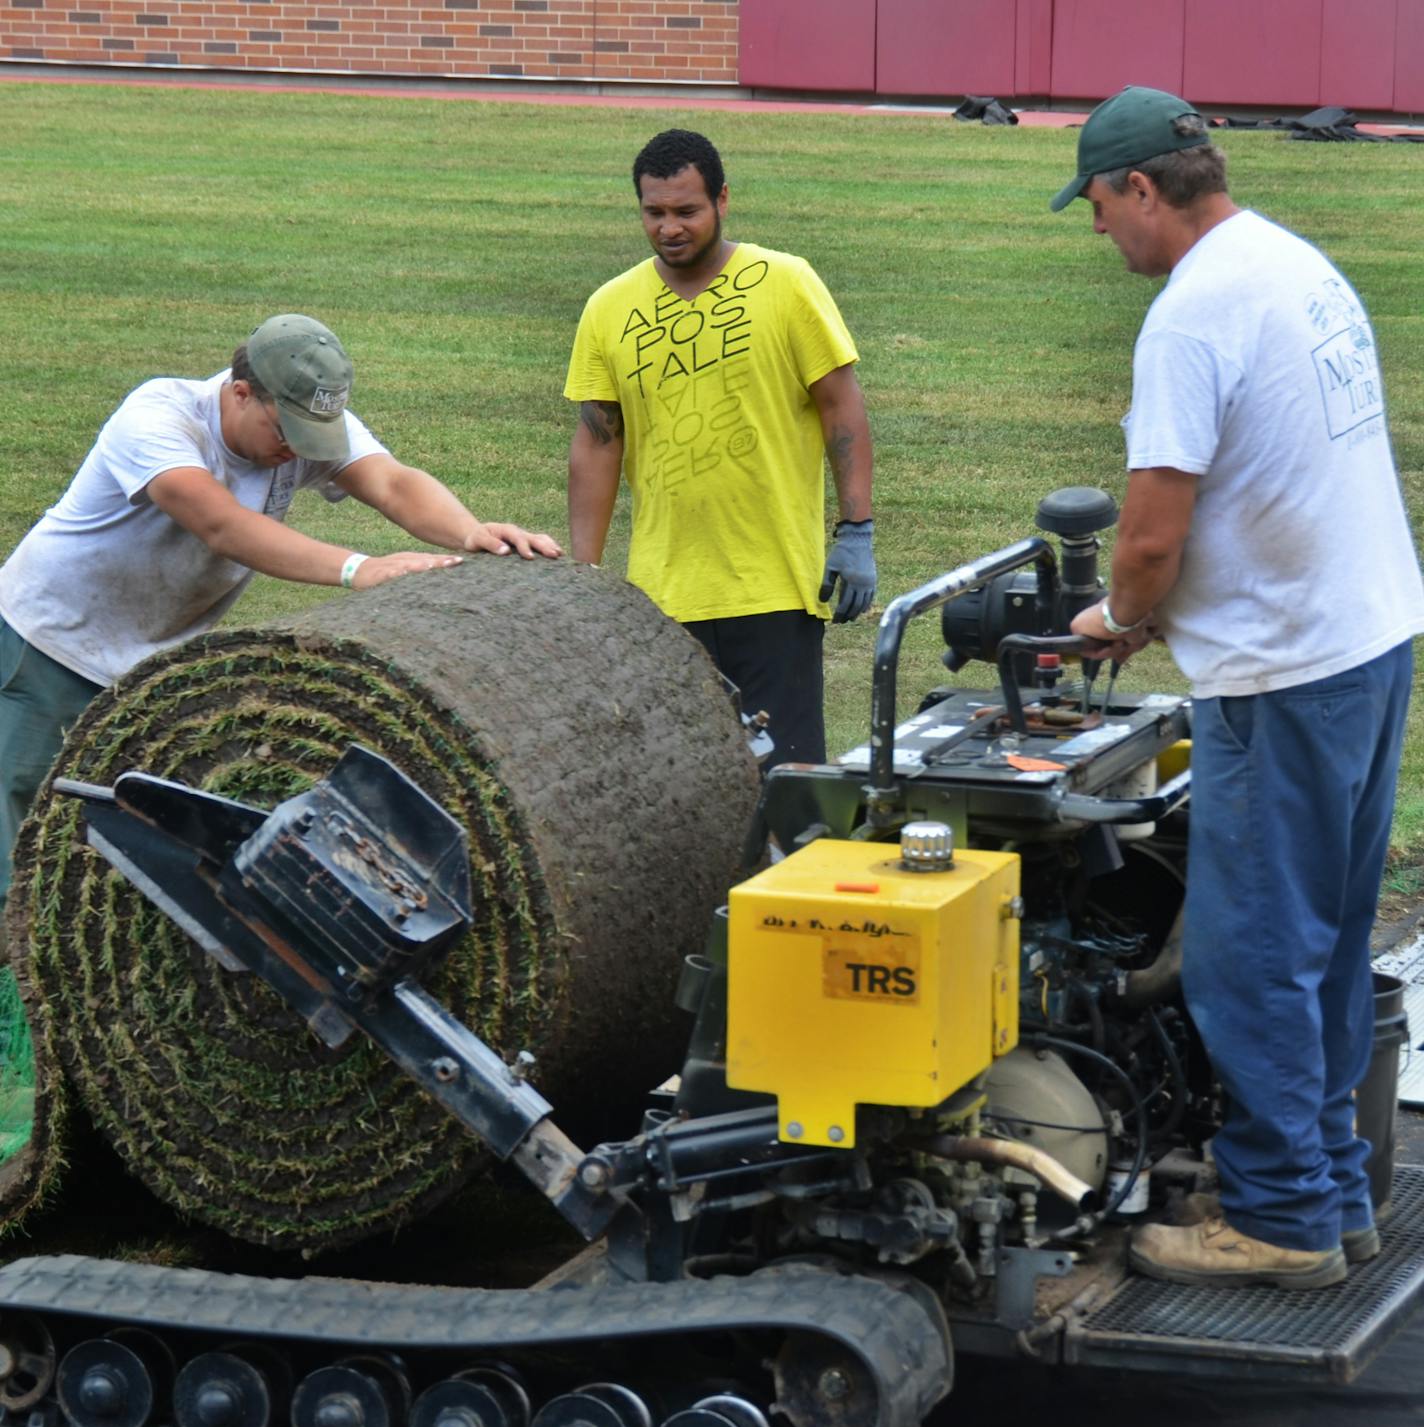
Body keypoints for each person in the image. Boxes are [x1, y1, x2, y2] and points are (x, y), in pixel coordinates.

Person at [1054, 87, 1424, 1288]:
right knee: (1317, 935)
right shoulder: (1288, 260)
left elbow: (1152, 534)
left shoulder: (1187, 317)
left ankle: (1276, 1220)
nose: (1098, 232)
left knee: (1245, 952)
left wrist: (1117, 618)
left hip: (1285, 671)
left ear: (1143, 190)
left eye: (1100, 207)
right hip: (1368, 639)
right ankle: (1324, 1186)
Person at [0, 312, 560, 956]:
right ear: (242, 393)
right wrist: (358, 569)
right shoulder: (158, 418)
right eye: (284, 429)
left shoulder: (300, 430)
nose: (298, 447)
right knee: (19, 847)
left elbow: (392, 481)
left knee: (114, 854)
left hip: (144, 671)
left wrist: (470, 532)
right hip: (47, 648)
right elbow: (221, 525)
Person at [564, 128, 876, 767]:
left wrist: (857, 528)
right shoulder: (608, 308)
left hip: (774, 586)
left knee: (785, 782)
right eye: (655, 212)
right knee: (686, 790)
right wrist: (585, 579)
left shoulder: (785, 284)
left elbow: (840, 404)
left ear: (723, 200)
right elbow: (598, 443)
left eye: (687, 211)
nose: (669, 228)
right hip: (662, 594)